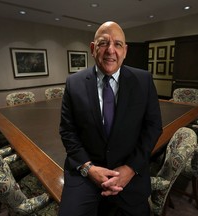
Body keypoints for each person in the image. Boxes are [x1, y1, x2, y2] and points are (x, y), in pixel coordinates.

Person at [59, 21, 162, 216]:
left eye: (118, 44)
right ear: (92, 48)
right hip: (86, 172)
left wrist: (130, 168)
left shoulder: (144, 80)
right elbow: (67, 131)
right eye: (103, 43)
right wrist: (89, 168)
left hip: (129, 172)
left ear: (125, 50)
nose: (110, 50)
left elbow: (153, 127)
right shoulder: (74, 83)